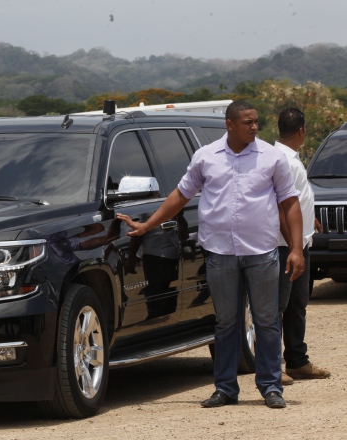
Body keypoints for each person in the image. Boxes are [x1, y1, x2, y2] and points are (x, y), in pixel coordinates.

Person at [117, 100, 304, 409]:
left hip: (262, 252)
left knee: (267, 320)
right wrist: (148, 224)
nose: (255, 127)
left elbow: (289, 202)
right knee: (226, 322)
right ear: (230, 124)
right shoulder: (206, 157)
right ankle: (226, 389)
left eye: (256, 121)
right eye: (248, 122)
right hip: (220, 253)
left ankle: (271, 387)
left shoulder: (272, 157)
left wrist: (296, 249)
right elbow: (181, 194)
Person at [275, 108, 331, 385]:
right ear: (301, 131)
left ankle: (297, 361)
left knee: (297, 305)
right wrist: (292, 246)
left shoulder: (289, 159)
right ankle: (274, 366)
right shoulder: (285, 161)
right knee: (278, 306)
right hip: (286, 246)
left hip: (299, 242)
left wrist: (310, 219)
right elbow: (279, 206)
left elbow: (295, 201)